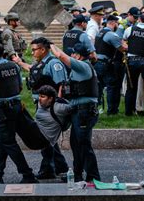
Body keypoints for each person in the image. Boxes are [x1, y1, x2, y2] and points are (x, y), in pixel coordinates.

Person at [13, 37, 69, 180]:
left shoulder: (54, 64)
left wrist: (56, 106)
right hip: (43, 105)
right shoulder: (42, 63)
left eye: (34, 50)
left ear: (43, 50)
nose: (32, 53)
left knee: (45, 138)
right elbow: (33, 70)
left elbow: (61, 86)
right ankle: (55, 167)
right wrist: (19, 62)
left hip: (50, 107)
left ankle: (53, 168)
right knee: (47, 138)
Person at [0, 42, 38, 184]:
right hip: (17, 107)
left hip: (4, 110)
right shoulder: (13, 66)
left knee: (8, 142)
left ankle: (27, 174)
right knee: (3, 141)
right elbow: (19, 87)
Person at [50, 42, 100, 182]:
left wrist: (51, 44)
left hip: (84, 112)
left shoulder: (82, 65)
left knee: (83, 145)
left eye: (73, 53)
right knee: (76, 144)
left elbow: (60, 55)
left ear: (78, 55)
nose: (71, 55)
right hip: (79, 112)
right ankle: (77, 175)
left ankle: (93, 176)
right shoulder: (80, 67)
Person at [94, 15, 127, 115]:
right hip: (106, 64)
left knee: (98, 87)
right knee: (112, 86)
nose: (118, 26)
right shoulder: (111, 34)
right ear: (113, 23)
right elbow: (122, 49)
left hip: (97, 63)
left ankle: (96, 108)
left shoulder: (100, 32)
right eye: (117, 24)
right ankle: (112, 110)